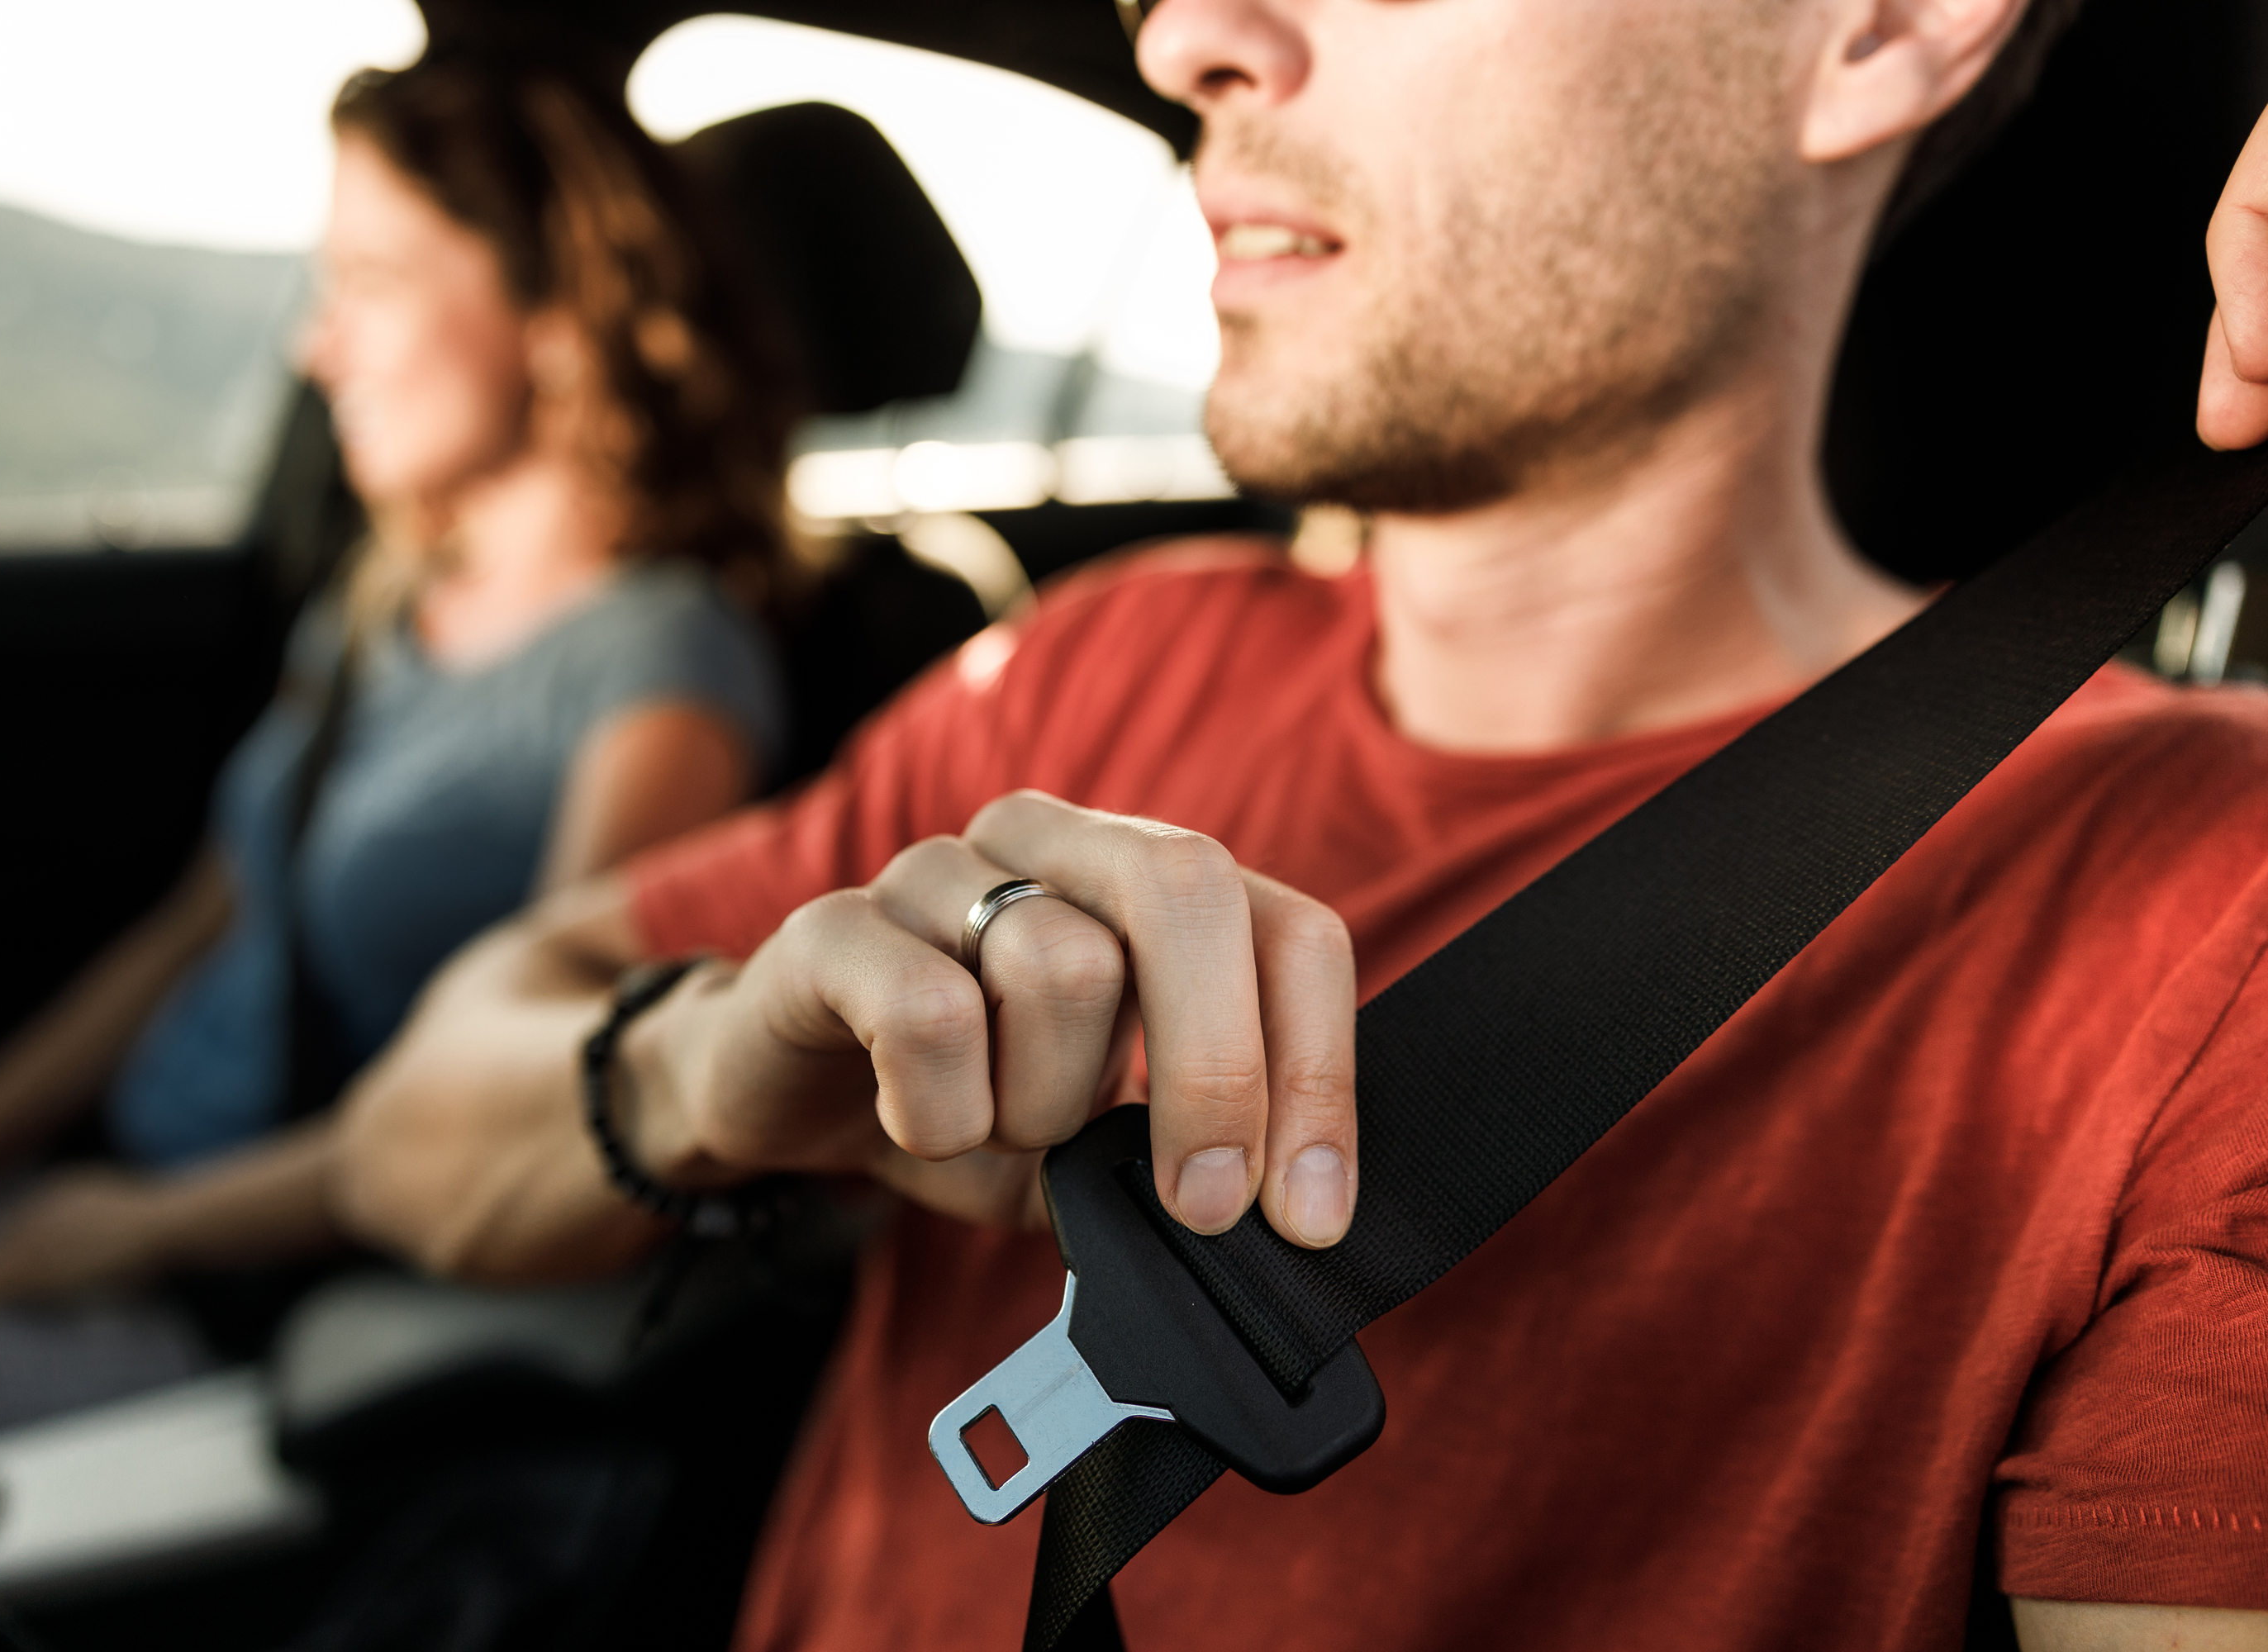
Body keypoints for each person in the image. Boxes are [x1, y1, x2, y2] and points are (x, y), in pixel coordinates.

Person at [335, 2, 2268, 1647]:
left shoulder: (2202, 912)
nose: (1183, 32)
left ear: (1881, 26)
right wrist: (696, 1068)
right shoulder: (1096, 678)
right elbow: (407, 1135)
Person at [0, 50, 793, 1438]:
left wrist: (147, 1228)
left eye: (370, 281)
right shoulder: (388, 605)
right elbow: (192, 933)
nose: (316, 344)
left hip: (233, 1286)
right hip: (104, 1190)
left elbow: (571, 1100)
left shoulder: (663, 670)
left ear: (558, 307)